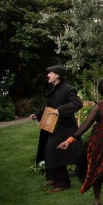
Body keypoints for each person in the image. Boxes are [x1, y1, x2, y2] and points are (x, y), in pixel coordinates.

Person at [30, 65, 83, 193]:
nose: (48, 75)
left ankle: (63, 183)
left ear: (57, 75)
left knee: (56, 153)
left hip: (65, 128)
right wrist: (37, 114)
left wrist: (60, 110)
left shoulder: (68, 89)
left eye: (50, 73)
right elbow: (50, 107)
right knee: (47, 150)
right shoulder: (55, 89)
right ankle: (52, 178)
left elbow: (78, 103)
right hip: (53, 126)